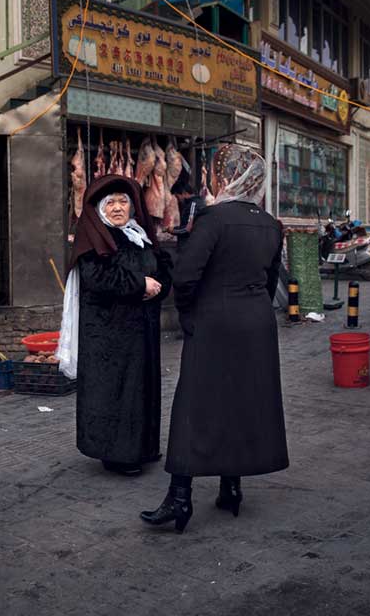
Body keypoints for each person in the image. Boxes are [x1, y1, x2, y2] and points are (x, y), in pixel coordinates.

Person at [140, 144, 288, 533]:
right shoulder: (270, 224)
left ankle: (180, 497)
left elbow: (186, 276)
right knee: (239, 401)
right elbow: (271, 279)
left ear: (226, 178)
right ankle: (231, 488)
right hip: (256, 323)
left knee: (194, 404)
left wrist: (189, 316)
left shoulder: (214, 219)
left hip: (215, 321)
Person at [56, 174, 172, 476]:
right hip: (109, 335)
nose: (118, 208)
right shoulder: (93, 240)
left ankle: (143, 447)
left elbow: (161, 267)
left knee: (142, 389)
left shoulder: (138, 235)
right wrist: (140, 284)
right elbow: (98, 278)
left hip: (142, 330)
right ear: (100, 208)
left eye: (123, 202)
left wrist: (159, 285)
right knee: (117, 393)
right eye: (111, 203)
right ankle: (118, 454)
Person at [167, 175, 206, 249]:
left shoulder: (193, 205)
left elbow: (188, 229)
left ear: (184, 193)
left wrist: (173, 230)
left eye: (177, 196)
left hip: (190, 247)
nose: (178, 200)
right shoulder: (197, 202)